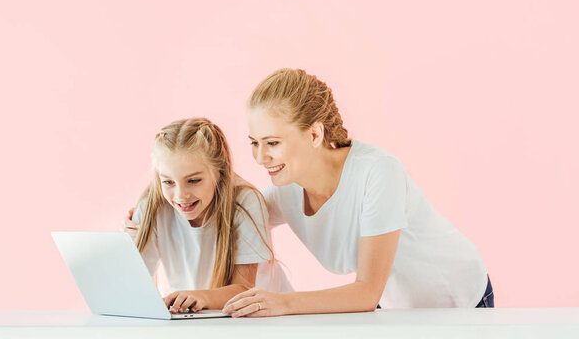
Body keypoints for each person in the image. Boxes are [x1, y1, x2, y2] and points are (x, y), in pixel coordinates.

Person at [221, 68, 492, 317]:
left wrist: (282, 302)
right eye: (254, 143)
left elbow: (366, 293)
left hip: (460, 299)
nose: (260, 157)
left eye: (272, 143)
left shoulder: (377, 172)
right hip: (400, 311)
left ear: (315, 135)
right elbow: (234, 221)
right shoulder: (284, 191)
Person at [124, 118, 291, 313]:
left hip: (264, 318)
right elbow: (134, 287)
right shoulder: (152, 207)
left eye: (193, 180)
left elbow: (244, 289)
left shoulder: (244, 202)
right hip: (201, 318)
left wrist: (200, 296)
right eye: (168, 182)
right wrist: (126, 243)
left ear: (219, 173)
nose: (180, 196)